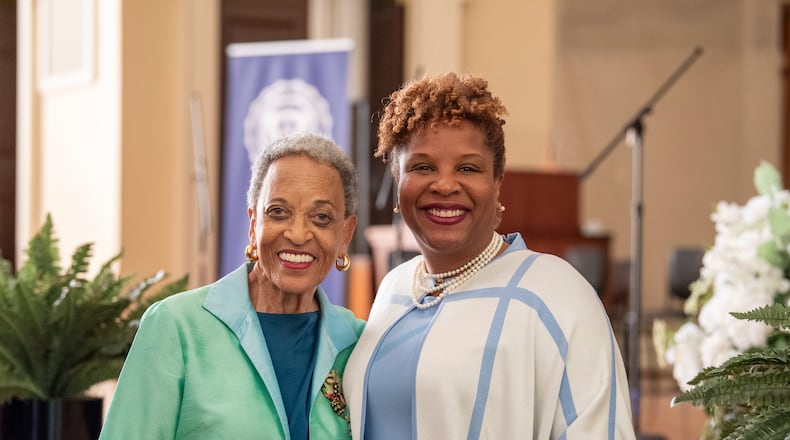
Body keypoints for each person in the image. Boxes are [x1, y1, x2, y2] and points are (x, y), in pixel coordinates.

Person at [344, 72, 635, 439]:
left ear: (497, 183)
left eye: (468, 168)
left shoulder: (555, 295)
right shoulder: (395, 287)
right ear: (397, 180)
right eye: (422, 166)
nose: (444, 184)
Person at [100, 133, 364, 439]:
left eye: (321, 217)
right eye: (278, 212)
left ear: (345, 234)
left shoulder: (359, 343)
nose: (297, 234)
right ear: (253, 225)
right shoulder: (175, 327)